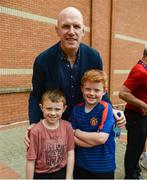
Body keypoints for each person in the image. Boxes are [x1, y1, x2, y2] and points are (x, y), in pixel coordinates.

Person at [25, 6, 126, 146]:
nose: (71, 32)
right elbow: (36, 95)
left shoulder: (93, 57)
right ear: (57, 30)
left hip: (86, 127)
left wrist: (110, 109)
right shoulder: (43, 61)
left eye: (76, 26)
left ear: (83, 31)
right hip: (55, 129)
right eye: (66, 26)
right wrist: (34, 124)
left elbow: (100, 88)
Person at [71, 69, 116, 179]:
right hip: (81, 165)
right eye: (88, 89)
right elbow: (70, 137)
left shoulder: (105, 108)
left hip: (103, 167)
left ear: (104, 91)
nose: (92, 93)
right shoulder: (76, 110)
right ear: (82, 89)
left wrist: (77, 132)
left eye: (97, 90)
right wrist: (93, 139)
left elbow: (101, 138)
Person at [26, 89, 75, 179]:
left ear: (64, 109)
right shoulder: (35, 131)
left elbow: (70, 153)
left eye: (57, 109)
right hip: (41, 175)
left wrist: (69, 177)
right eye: (49, 108)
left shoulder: (67, 127)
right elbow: (30, 160)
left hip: (61, 173)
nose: (53, 113)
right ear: (41, 107)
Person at [119, 44, 147, 179]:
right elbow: (123, 93)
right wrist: (143, 105)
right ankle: (130, 176)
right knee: (134, 148)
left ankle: (135, 170)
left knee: (138, 145)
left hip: (141, 116)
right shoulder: (140, 70)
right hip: (135, 116)